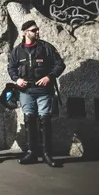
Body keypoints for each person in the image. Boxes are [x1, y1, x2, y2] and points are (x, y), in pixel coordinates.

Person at [8, 20, 65, 167]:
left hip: (43, 91)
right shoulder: (17, 50)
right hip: (26, 91)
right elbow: (11, 68)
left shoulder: (46, 47)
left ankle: (47, 154)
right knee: (29, 120)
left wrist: (49, 77)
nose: (37, 32)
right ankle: (31, 153)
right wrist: (17, 79)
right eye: (34, 30)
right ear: (25, 32)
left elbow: (60, 64)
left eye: (37, 29)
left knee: (45, 121)